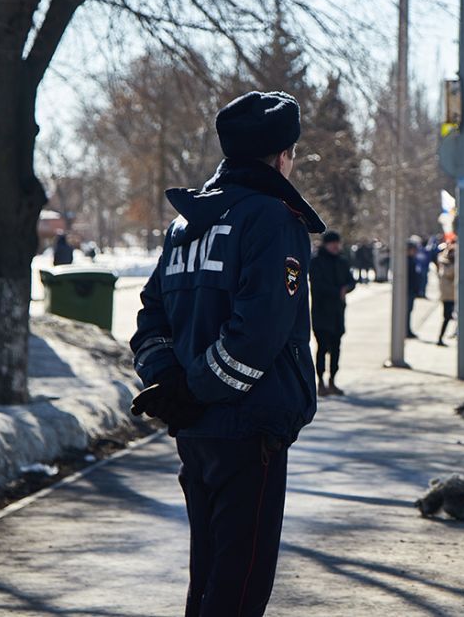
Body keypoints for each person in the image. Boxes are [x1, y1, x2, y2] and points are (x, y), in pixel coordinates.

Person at [129, 91, 323, 617]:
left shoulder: (186, 225)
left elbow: (150, 320)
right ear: (283, 156)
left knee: (210, 579)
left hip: (197, 431)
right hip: (249, 427)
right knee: (239, 587)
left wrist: (173, 385)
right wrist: (192, 389)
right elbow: (258, 331)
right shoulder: (272, 220)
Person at [309, 230, 355, 395]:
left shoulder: (342, 261)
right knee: (322, 348)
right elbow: (318, 286)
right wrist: (338, 292)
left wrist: (346, 288)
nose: (336, 246)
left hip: (338, 312)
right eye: (332, 243)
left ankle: (332, 381)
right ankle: (320, 381)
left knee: (336, 348)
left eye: (337, 243)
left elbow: (351, 281)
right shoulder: (316, 262)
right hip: (321, 313)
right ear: (326, 244)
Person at [436, 239, 456, 346]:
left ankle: (451, 334)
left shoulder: (446, 262)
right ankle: (440, 338)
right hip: (448, 295)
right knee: (447, 317)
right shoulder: (446, 264)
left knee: (450, 317)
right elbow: (450, 274)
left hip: (451, 294)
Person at [406, 240, 421, 339]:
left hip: (411, 290)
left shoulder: (412, 260)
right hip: (408, 291)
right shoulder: (407, 261)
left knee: (409, 311)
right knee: (406, 311)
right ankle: (406, 330)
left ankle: (407, 330)